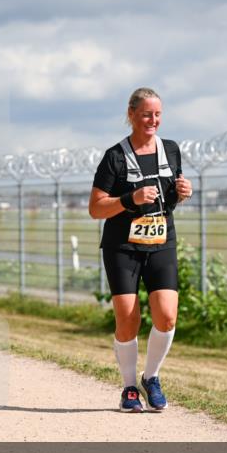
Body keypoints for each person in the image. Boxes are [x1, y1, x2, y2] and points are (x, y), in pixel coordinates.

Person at [88, 88, 193, 412]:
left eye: (158, 114)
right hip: (123, 246)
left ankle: (152, 377)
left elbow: (169, 196)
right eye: (147, 114)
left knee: (167, 315)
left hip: (161, 241)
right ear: (131, 114)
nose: (153, 120)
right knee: (128, 319)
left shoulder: (171, 150)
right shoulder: (115, 157)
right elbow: (95, 208)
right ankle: (129, 387)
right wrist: (128, 199)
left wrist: (183, 192)